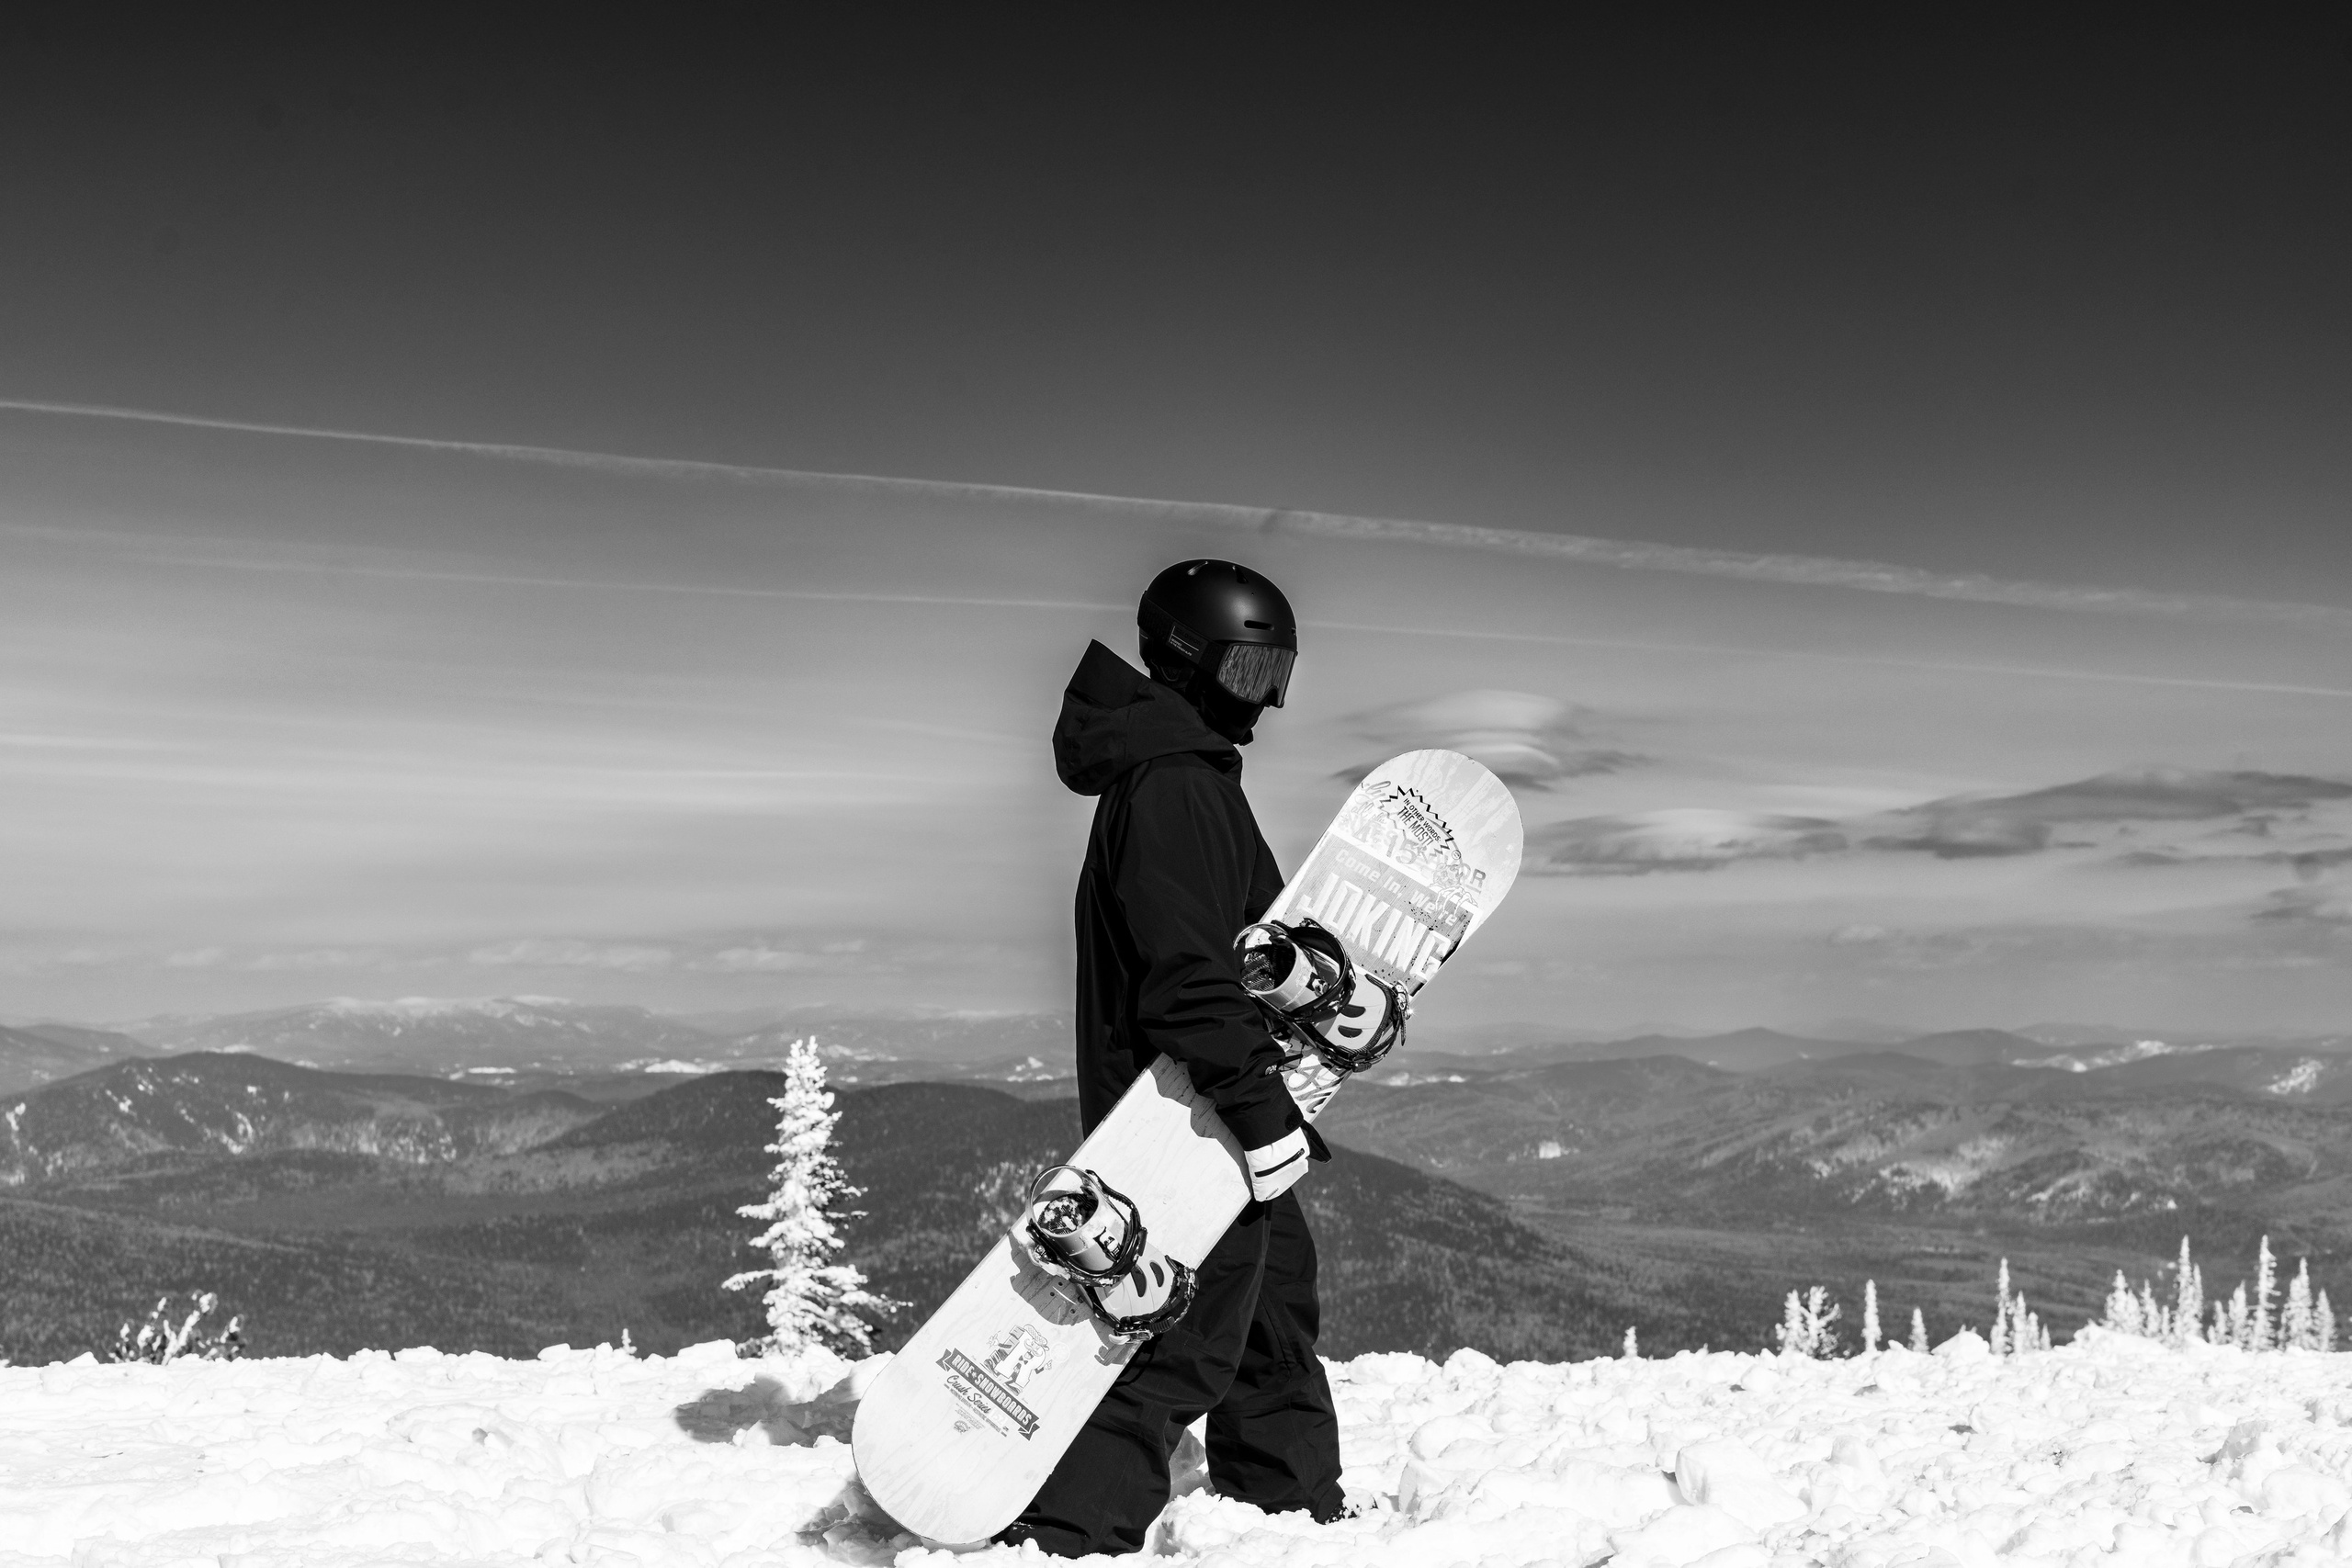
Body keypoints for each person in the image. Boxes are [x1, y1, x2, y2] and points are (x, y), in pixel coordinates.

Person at [1001, 558, 1346, 1556]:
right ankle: (1067, 1532)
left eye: (1275, 674)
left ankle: (1288, 1516)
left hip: (1209, 1102)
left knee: (1273, 1308)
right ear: (1190, 662)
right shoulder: (1176, 790)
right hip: (1182, 1118)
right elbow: (1186, 977)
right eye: (1248, 673)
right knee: (1179, 1342)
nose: (1266, 702)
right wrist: (1257, 1109)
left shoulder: (1179, 778)